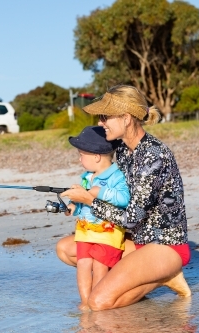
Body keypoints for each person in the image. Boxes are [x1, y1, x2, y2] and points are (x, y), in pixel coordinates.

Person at [59, 84, 191, 311]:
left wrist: (91, 201)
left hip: (165, 246)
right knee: (66, 249)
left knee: (98, 303)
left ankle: (164, 276)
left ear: (127, 118)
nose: (101, 122)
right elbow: (95, 154)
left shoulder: (153, 156)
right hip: (136, 241)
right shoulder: (122, 148)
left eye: (105, 117)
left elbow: (131, 219)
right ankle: (144, 278)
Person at [65, 126, 130, 311]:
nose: (79, 159)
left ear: (96, 156)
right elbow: (81, 205)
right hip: (85, 231)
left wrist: (99, 191)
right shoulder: (86, 177)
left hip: (108, 233)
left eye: (81, 154)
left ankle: (96, 301)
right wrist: (72, 207)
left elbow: (124, 199)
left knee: (100, 266)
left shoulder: (117, 176)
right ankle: (86, 303)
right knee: (83, 264)